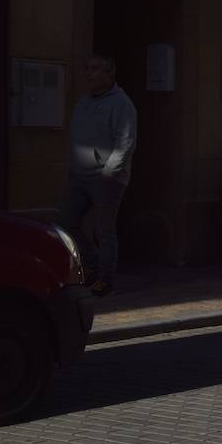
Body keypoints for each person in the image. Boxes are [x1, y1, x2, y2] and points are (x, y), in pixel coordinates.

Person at [62, 54, 137, 297]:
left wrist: (110, 172)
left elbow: (125, 142)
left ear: (109, 73)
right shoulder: (83, 102)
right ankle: (92, 263)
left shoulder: (121, 104)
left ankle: (105, 279)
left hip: (107, 177)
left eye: (95, 69)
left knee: (104, 230)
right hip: (79, 175)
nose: (89, 73)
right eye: (87, 68)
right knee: (67, 222)